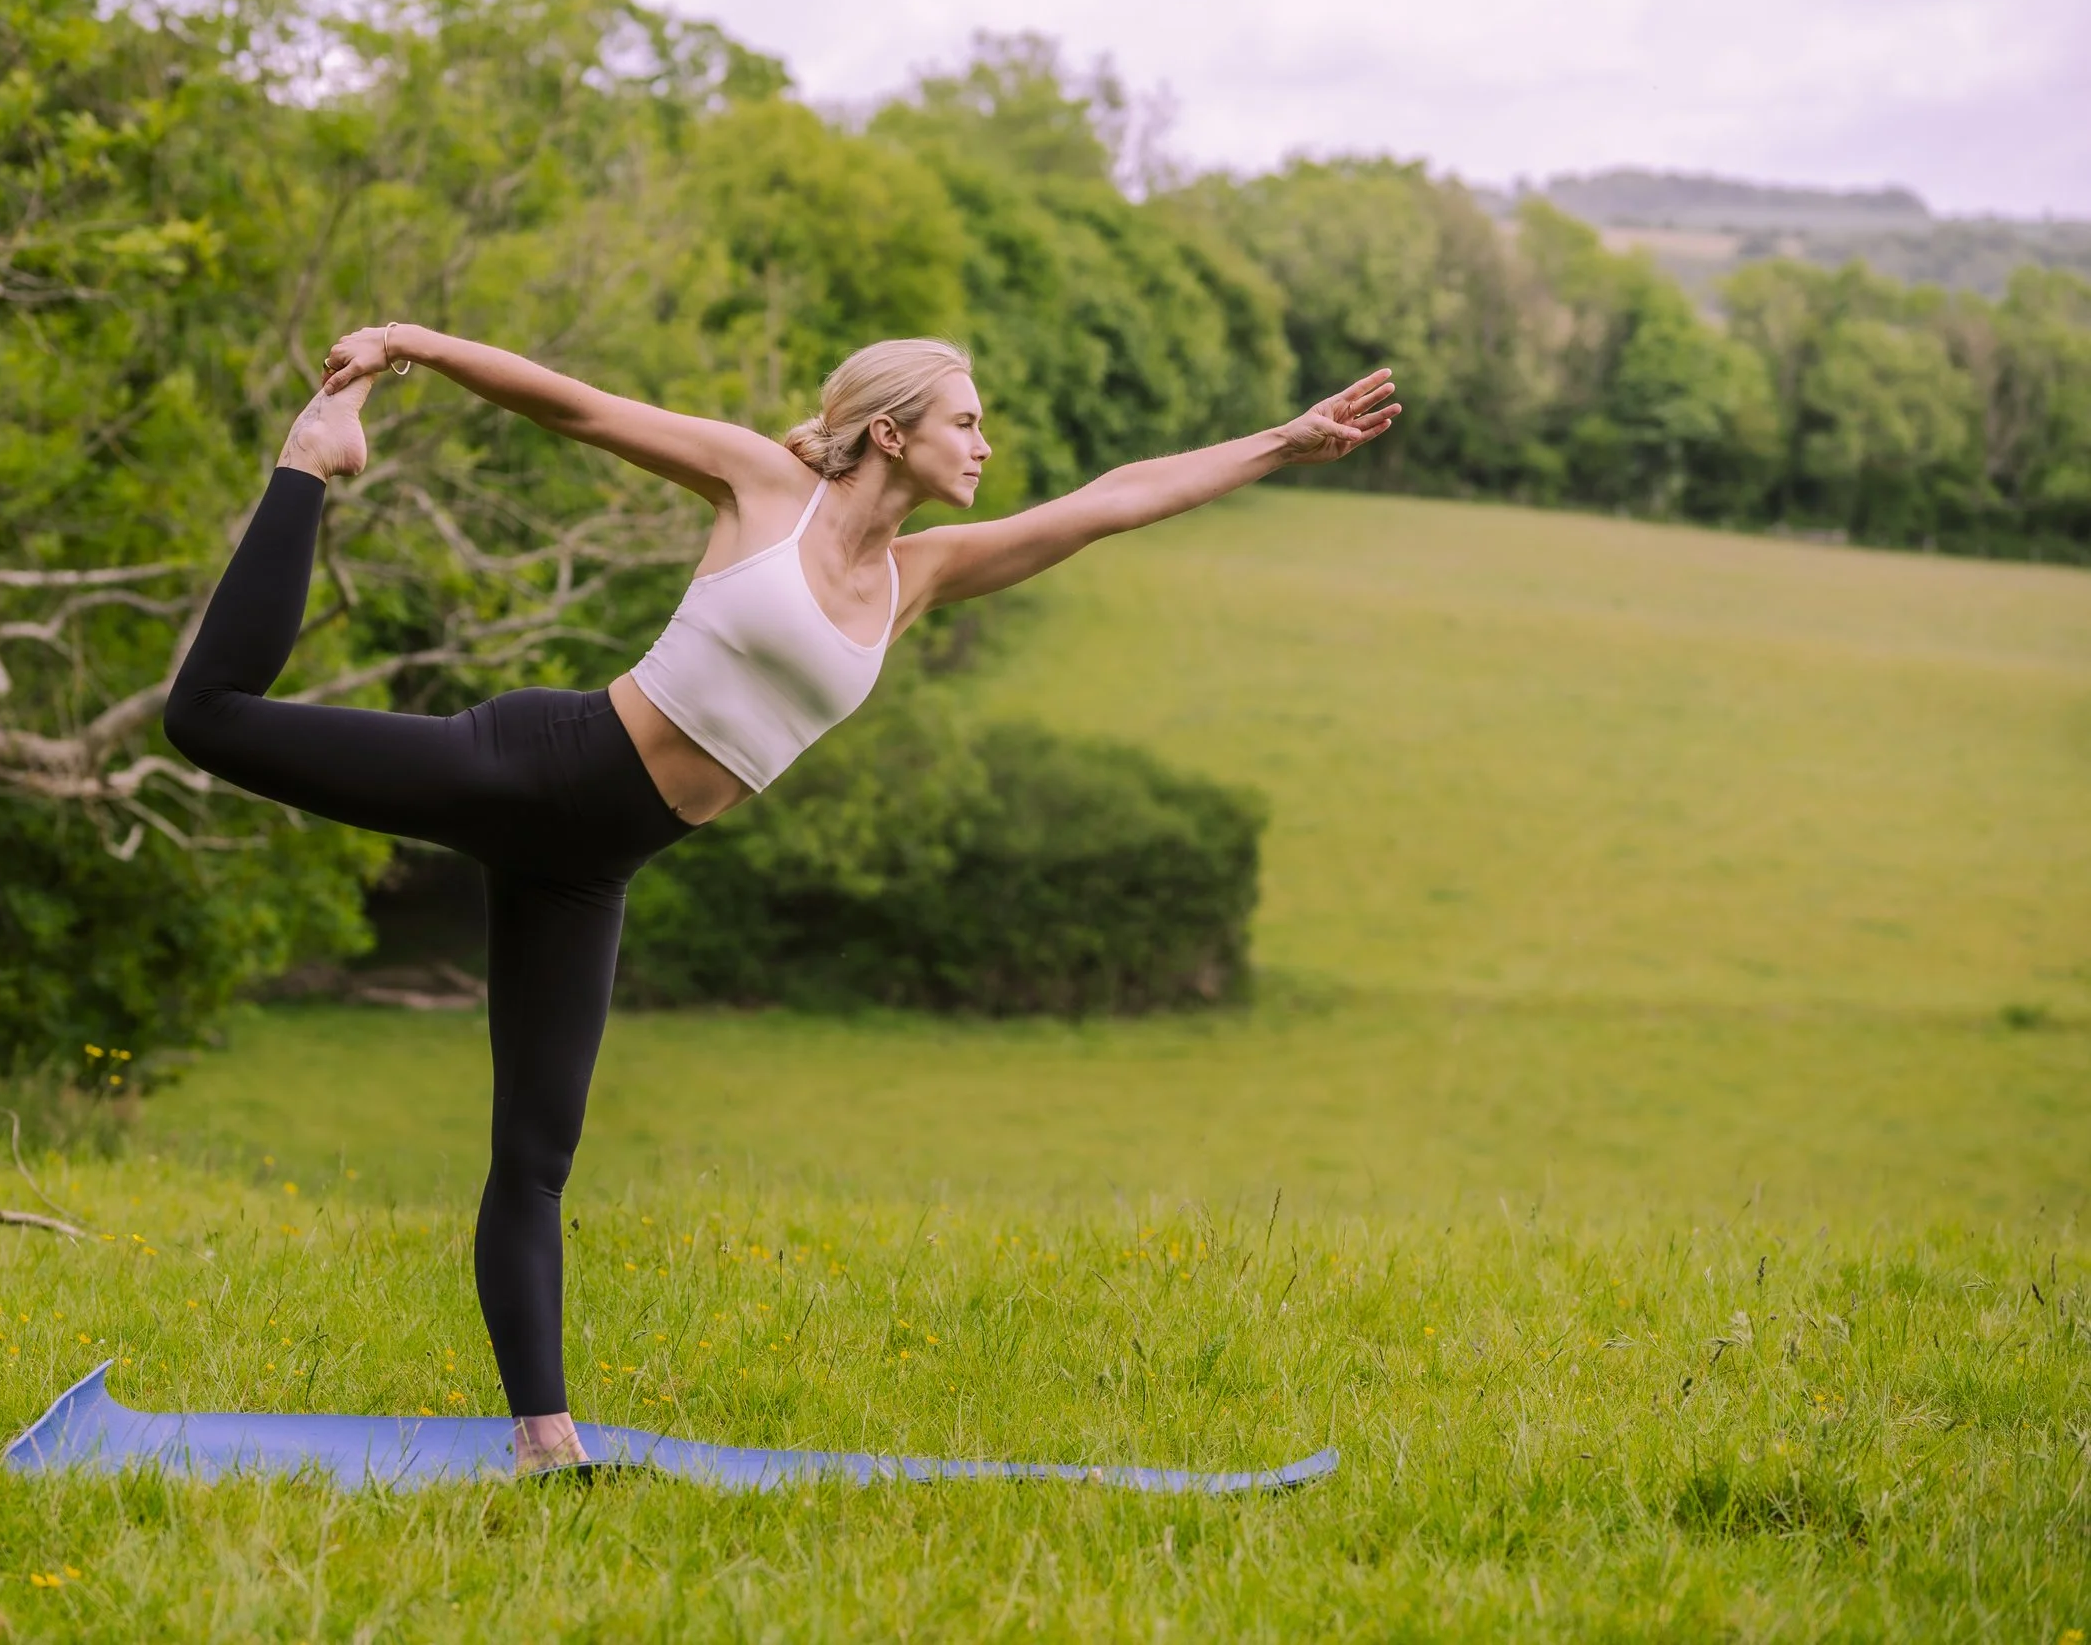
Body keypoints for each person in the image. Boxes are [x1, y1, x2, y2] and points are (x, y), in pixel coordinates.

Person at [163, 325, 1398, 1473]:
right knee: (208, 718)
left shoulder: (921, 577)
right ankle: (310, 458)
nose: (985, 443)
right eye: (966, 421)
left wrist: (1281, 442)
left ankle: (546, 1441)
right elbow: (576, 407)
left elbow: (1110, 502)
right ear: (890, 433)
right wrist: (412, 346)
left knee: (535, 1157)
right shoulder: (762, 486)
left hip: (592, 866)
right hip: (529, 768)